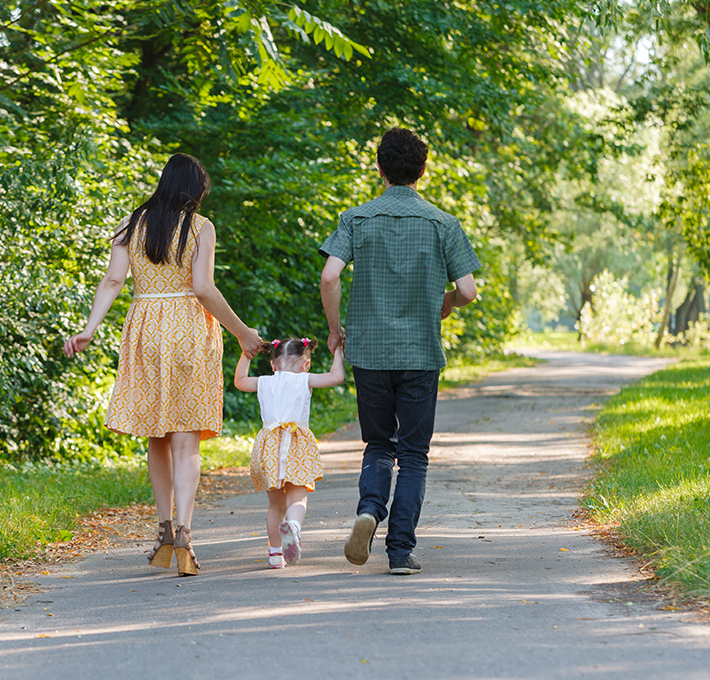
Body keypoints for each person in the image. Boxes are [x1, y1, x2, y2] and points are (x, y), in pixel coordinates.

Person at [64, 153, 263, 577]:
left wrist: (89, 328)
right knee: (186, 439)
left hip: (146, 330)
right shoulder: (200, 227)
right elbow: (204, 288)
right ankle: (187, 535)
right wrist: (242, 332)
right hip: (189, 328)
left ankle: (164, 530)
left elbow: (113, 281)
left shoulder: (132, 223)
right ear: (194, 189)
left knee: (157, 432)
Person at [318, 128, 480, 575]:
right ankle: (401, 552)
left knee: (377, 444)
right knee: (413, 454)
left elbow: (329, 277)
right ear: (422, 172)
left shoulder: (357, 218)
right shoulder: (443, 223)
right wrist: (445, 302)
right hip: (421, 354)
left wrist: (335, 331)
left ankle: (370, 509)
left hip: (369, 352)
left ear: (380, 169)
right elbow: (468, 290)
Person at [234, 337, 345, 568]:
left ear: (273, 365)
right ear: (306, 365)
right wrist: (338, 351)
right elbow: (337, 377)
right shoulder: (305, 380)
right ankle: (293, 528)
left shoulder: (264, 382)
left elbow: (240, 381)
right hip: (297, 445)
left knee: (276, 506)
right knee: (298, 497)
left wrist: (246, 354)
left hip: (269, 448)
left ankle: (275, 554)